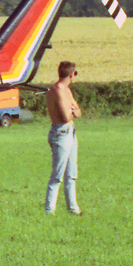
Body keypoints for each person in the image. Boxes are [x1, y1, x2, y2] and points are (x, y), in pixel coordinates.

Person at [44, 61, 83, 216]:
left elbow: (78, 111)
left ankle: (73, 209)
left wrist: (73, 111)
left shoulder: (67, 90)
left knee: (71, 174)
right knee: (57, 175)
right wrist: (72, 111)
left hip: (71, 133)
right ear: (72, 74)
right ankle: (49, 211)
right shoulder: (57, 91)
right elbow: (65, 116)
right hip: (60, 133)